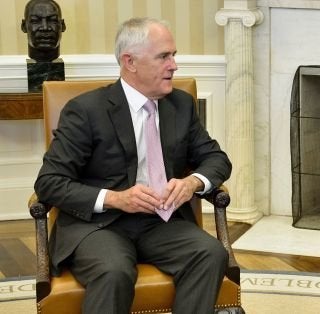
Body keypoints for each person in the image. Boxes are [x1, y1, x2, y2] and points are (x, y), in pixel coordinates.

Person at [34, 17, 232, 313]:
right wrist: (115, 198)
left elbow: (217, 159)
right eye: (164, 56)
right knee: (115, 270)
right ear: (131, 62)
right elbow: (49, 182)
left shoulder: (180, 105)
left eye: (174, 55)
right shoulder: (86, 111)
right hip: (98, 226)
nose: (174, 65)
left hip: (160, 222)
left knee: (210, 253)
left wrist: (193, 182)